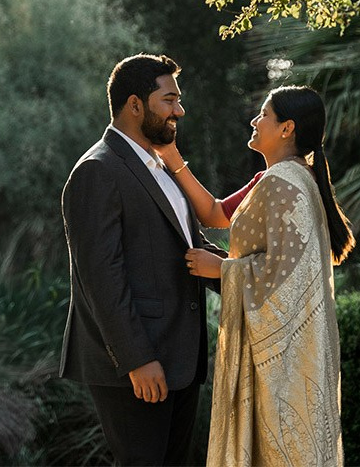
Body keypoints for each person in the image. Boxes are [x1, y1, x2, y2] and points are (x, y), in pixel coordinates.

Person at [159, 85, 355, 467]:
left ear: (287, 128)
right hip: (300, 351)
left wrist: (222, 269)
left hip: (285, 358)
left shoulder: (283, 182)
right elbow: (215, 214)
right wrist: (172, 157)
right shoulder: (280, 179)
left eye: (263, 114)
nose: (254, 120)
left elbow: (287, 275)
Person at [59, 53, 224, 467]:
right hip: (138, 364)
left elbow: (190, 247)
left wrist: (253, 276)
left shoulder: (160, 166)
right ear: (135, 104)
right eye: (169, 100)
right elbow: (101, 277)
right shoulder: (96, 170)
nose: (179, 111)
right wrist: (137, 359)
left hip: (181, 360)